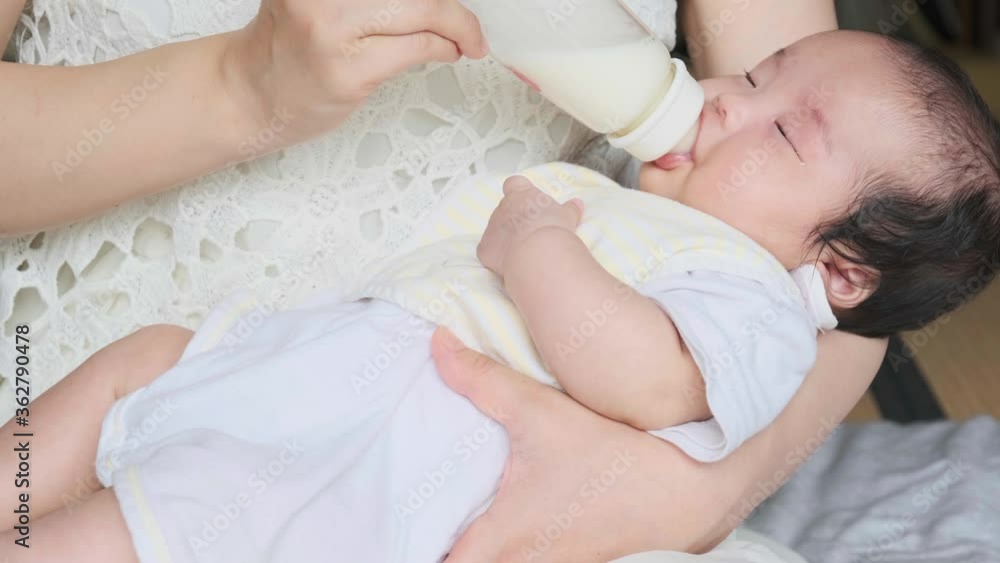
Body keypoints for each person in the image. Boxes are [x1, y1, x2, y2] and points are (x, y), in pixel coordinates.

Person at [0, 0, 892, 560]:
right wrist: (243, 86)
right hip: (133, 346)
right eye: (750, 80)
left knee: (174, 513)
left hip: (406, 463)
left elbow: (876, 283)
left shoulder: (749, 273)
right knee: (135, 386)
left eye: (779, 124)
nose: (725, 95)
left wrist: (679, 493)